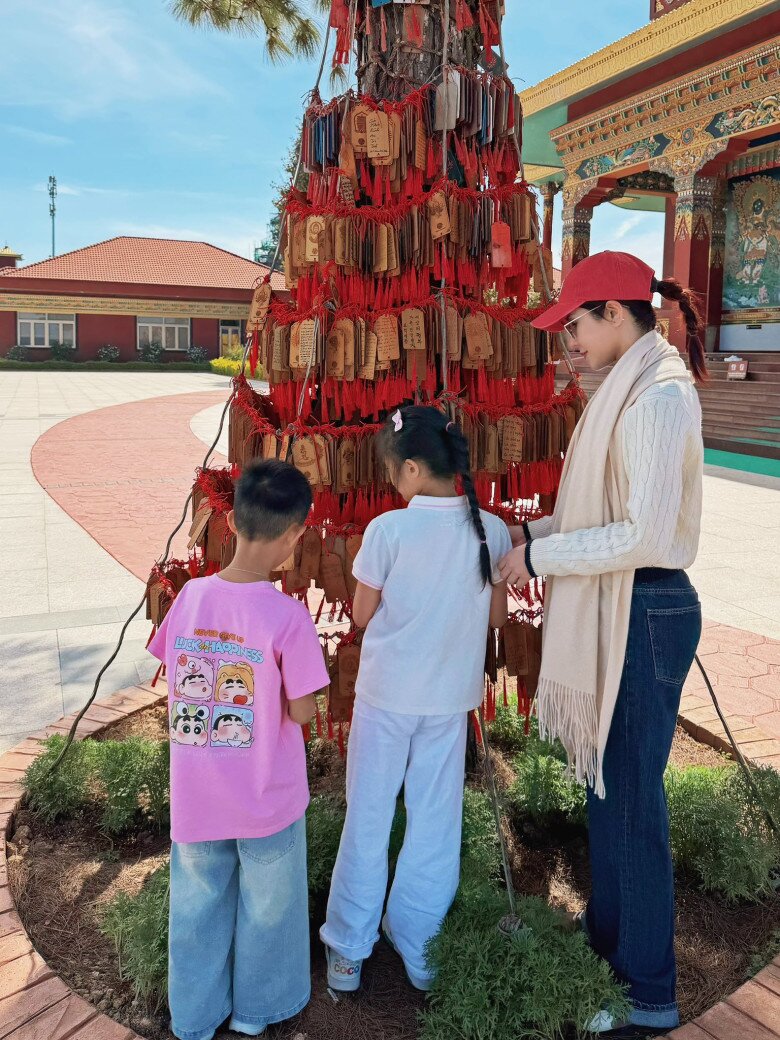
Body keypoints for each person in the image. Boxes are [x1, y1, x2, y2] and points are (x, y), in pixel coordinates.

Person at [499, 251, 705, 1039]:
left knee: (631, 810)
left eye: (577, 325)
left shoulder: (655, 397)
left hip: (642, 610)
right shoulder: (630, 388)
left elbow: (641, 534)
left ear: (616, 313)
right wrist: (527, 531)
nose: (570, 343)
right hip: (630, 605)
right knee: (610, 795)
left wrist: (541, 556)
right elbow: (598, 517)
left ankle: (649, 991)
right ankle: (609, 944)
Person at [320, 405, 512, 993]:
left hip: (386, 697)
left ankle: (349, 947)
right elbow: (498, 616)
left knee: (369, 816)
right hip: (450, 700)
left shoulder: (389, 530)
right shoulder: (491, 529)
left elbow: (361, 612)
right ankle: (417, 936)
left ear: (409, 468)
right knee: (435, 821)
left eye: (389, 472)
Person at [149, 459, 329, 1040]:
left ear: (229, 519)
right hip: (267, 801)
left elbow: (173, 670)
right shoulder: (288, 617)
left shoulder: (190, 597)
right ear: (296, 534)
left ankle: (195, 1018)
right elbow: (303, 711)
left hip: (198, 801)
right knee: (269, 909)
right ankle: (257, 1010)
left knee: (197, 907)